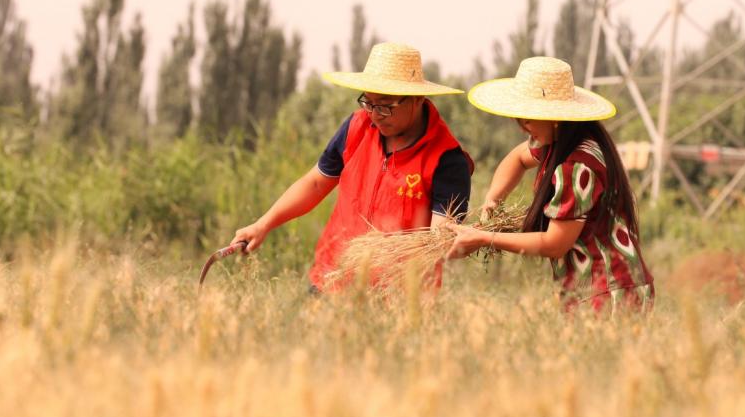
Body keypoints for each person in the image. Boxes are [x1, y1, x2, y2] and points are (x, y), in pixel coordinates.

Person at [230, 42, 473, 292]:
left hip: (398, 299)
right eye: (368, 103)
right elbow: (315, 184)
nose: (375, 115)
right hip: (331, 280)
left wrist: (381, 254)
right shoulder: (357, 127)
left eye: (385, 106)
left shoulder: (447, 160)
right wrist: (263, 224)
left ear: (417, 99)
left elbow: (437, 242)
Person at [447, 56, 654, 312]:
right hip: (595, 289)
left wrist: (484, 238)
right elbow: (516, 159)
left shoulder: (576, 167)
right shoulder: (556, 143)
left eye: (527, 119)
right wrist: (492, 200)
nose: (522, 128)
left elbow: (555, 244)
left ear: (553, 117)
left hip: (610, 292)